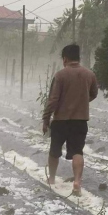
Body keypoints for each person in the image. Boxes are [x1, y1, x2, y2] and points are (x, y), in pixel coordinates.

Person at [42, 44, 98, 195]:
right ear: (78, 58)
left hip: (60, 120)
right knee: (77, 151)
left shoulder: (60, 75)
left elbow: (53, 100)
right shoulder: (89, 74)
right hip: (80, 121)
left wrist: (46, 118)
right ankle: (77, 182)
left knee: (54, 151)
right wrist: (81, 102)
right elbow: (93, 94)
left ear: (65, 58)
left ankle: (52, 179)